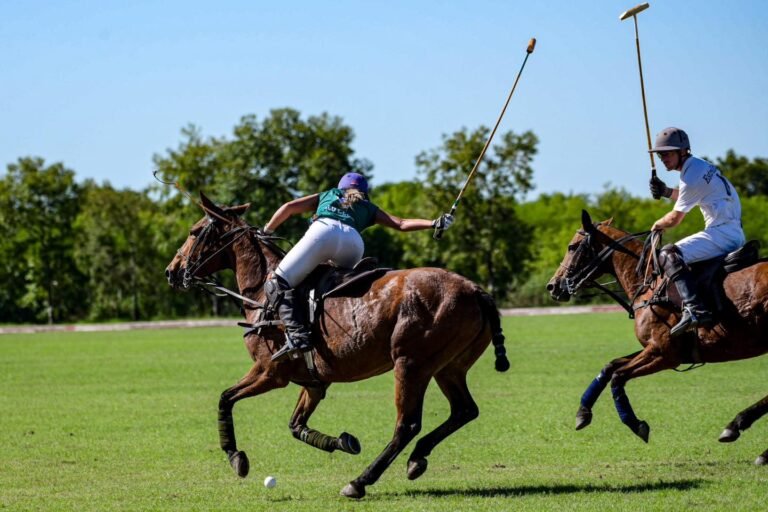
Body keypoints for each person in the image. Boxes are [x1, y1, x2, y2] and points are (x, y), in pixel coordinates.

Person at [262, 172, 454, 361]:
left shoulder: (329, 194)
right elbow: (401, 224)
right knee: (334, 287)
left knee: (276, 282)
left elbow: (289, 207)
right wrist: (434, 223)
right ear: (364, 192)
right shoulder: (368, 207)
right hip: (353, 243)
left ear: (341, 187)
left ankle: (298, 336)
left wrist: (267, 230)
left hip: (323, 232)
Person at [648, 127, 745, 337]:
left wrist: (656, 225)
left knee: (669, 254)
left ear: (683, 151)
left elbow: (675, 218)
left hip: (722, 234)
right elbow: (689, 195)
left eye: (667, 153)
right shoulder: (699, 167)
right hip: (731, 231)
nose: (663, 158)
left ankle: (695, 310)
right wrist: (665, 191)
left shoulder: (690, 177)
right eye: (660, 154)